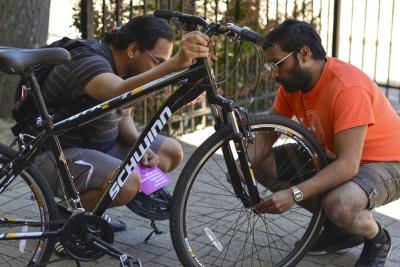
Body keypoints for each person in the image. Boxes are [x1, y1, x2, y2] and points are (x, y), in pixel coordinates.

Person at [33, 14, 211, 233]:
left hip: (99, 147)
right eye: (158, 62)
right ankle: (61, 219)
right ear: (133, 50)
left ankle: (96, 207)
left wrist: (140, 145)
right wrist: (174, 64)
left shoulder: (125, 69)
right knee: (127, 182)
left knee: (171, 152)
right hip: (54, 156)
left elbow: (123, 115)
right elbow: (115, 92)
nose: (160, 69)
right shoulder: (90, 63)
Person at [250, 19, 400, 266]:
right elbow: (267, 135)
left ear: (304, 54)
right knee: (263, 166)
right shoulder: (292, 86)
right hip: (334, 155)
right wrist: (243, 165)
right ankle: (340, 230)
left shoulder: (347, 87)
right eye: (270, 65)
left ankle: (376, 237)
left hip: (386, 161)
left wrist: (294, 194)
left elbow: (348, 166)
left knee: (340, 204)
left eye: (278, 63)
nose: (274, 73)